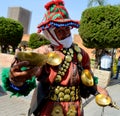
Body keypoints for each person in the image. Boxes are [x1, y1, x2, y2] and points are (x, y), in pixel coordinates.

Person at [1, 0, 115, 116]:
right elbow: (25, 77)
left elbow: (89, 81)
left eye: (67, 28)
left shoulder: (81, 54)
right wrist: (16, 80)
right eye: (59, 30)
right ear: (50, 34)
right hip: (50, 108)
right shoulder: (43, 53)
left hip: (76, 109)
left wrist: (100, 91)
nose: (66, 33)